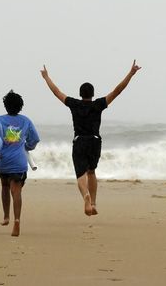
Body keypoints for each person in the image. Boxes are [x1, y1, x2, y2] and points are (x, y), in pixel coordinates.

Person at [40, 60, 142, 216]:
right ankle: (93, 202)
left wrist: (46, 77)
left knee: (81, 174)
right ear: (92, 94)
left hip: (79, 140)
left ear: (80, 94)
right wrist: (131, 73)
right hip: (95, 141)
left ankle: (86, 196)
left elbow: (56, 91)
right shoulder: (98, 105)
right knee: (92, 172)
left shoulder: (74, 104)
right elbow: (117, 91)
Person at [0, 90, 40, 236]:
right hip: (19, 161)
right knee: (16, 190)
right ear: (20, 106)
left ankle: (6, 217)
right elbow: (35, 139)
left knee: (5, 186)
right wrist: (27, 147)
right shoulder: (25, 121)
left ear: (5, 106)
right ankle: (17, 221)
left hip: (2, 161)